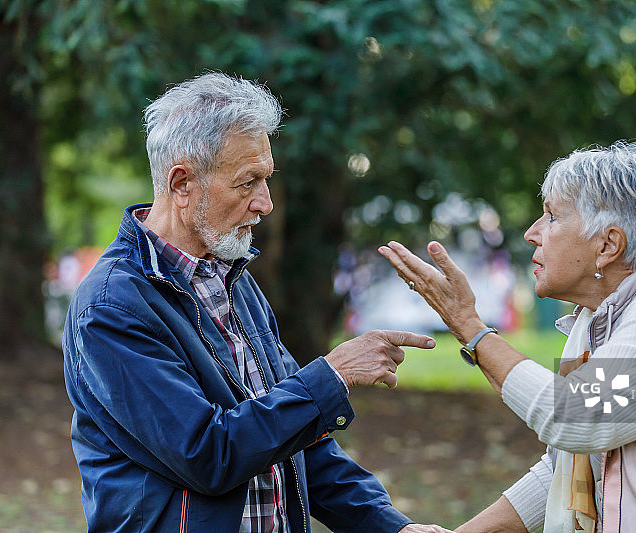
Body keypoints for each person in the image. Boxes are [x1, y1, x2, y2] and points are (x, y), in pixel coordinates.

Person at [62, 72, 452, 533]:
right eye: (248, 182)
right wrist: (333, 374)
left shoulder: (233, 278)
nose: (265, 203)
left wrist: (391, 527)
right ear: (182, 184)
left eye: (266, 179)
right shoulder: (112, 306)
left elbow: (298, 441)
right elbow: (208, 455)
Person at [379, 140, 636, 532]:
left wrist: (471, 327)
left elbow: (575, 416)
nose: (532, 234)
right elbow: (567, 465)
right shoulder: (595, 317)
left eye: (552, 217)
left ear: (608, 245)